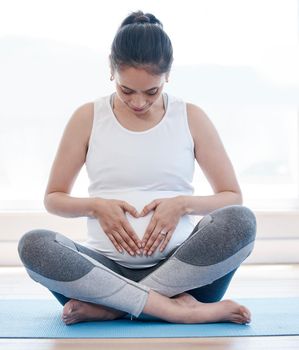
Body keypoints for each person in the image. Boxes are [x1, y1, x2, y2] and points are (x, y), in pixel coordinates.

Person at [18, 10, 256, 325]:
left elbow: (231, 195)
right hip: (102, 273)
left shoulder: (191, 117)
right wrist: (96, 207)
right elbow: (54, 197)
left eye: (152, 92)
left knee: (240, 221)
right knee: (34, 245)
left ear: (167, 75)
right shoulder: (87, 117)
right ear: (111, 70)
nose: (139, 102)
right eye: (127, 90)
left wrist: (182, 204)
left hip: (182, 275)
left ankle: (115, 308)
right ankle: (171, 309)